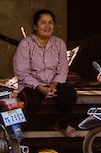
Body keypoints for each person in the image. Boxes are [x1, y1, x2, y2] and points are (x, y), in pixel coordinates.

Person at [14, 8, 78, 137]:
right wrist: (39, 87)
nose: (47, 26)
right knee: (31, 100)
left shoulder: (59, 43)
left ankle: (62, 124)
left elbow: (63, 68)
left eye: (50, 23)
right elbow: (21, 71)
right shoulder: (25, 44)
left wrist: (56, 83)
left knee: (70, 94)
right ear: (35, 26)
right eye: (43, 22)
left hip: (53, 83)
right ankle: (21, 127)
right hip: (31, 84)